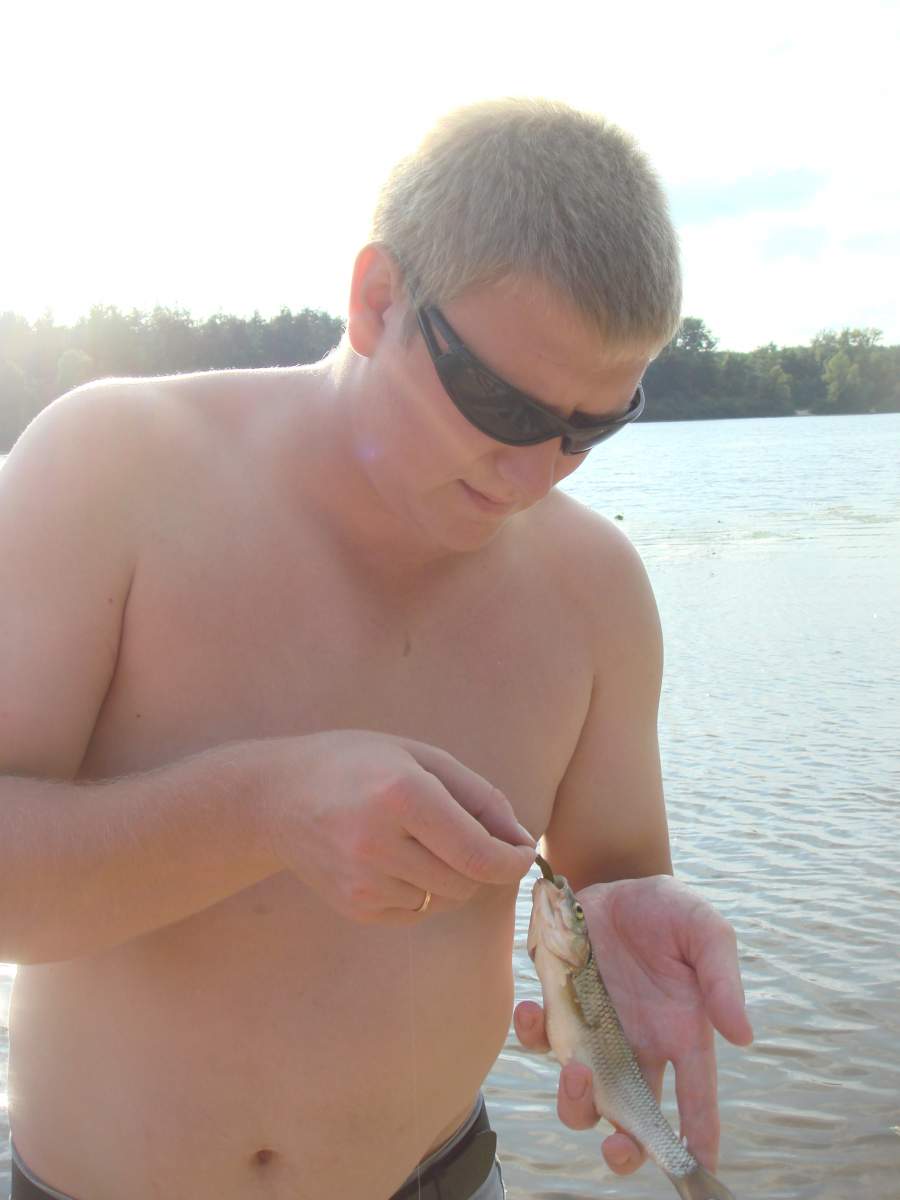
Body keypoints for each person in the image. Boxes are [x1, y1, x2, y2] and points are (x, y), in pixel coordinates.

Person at [1, 98, 752, 1200]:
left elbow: (609, 876)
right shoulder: (110, 468)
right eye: (500, 404)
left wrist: (635, 920)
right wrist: (262, 809)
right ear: (378, 299)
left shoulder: (595, 590)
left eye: (591, 426)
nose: (533, 474)